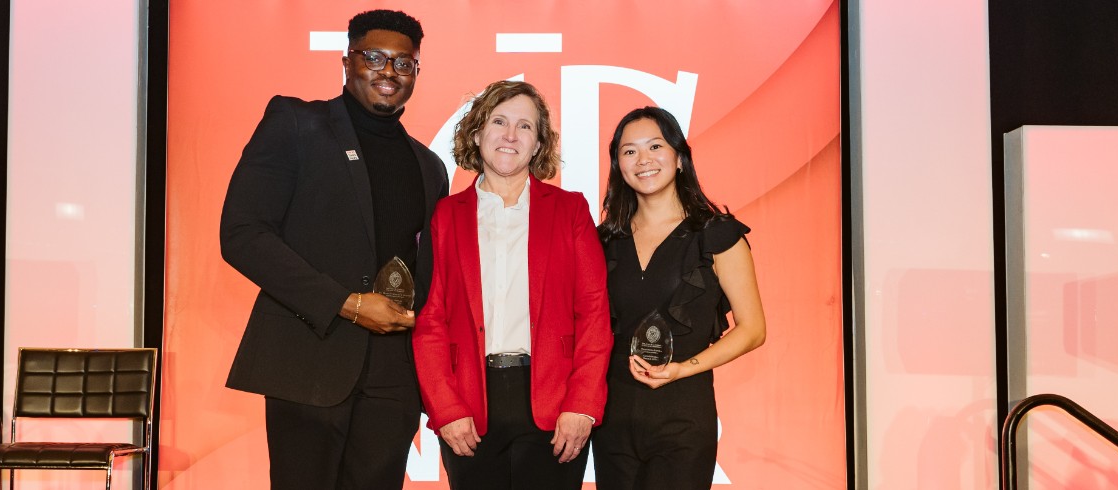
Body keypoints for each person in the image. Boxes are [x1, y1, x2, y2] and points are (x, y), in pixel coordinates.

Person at [218, 10, 449, 490]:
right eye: (374, 58)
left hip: (394, 377)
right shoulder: (297, 124)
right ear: (347, 62)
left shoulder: (428, 166)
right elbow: (243, 234)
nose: (389, 72)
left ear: (416, 73)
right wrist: (348, 304)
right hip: (308, 360)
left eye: (403, 63)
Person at [412, 80, 612, 490]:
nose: (510, 135)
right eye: (499, 121)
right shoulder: (446, 217)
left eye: (525, 126)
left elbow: (594, 312)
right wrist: (445, 407)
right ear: (478, 132)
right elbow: (430, 320)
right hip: (469, 404)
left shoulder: (570, 210)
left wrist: (583, 404)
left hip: (555, 405)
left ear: (538, 144)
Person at [591, 107, 767, 490]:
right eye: (629, 151)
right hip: (612, 419)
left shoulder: (718, 235)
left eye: (655, 146)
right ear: (618, 165)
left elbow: (753, 329)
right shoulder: (602, 240)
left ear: (679, 157)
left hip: (683, 417)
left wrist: (684, 368)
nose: (644, 160)